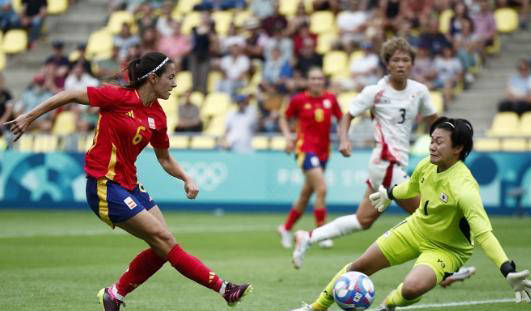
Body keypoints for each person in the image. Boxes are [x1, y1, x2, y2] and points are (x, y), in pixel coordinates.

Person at [3, 52, 252, 311]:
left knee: (162, 248)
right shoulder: (116, 97)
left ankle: (115, 294)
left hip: (130, 185)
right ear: (153, 78)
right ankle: (224, 288)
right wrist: (29, 117)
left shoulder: (159, 117)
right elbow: (69, 95)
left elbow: (164, 159)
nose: (175, 84)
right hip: (104, 184)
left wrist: (186, 177)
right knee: (164, 240)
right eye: (171, 77)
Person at [288, 117, 531, 311]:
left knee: (411, 289)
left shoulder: (465, 188)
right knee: (360, 265)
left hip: (447, 249)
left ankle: (389, 305)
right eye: (432, 140)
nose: (432, 146)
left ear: (458, 148)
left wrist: (506, 269)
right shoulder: (428, 164)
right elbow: (412, 187)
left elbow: (484, 234)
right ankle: (316, 307)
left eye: (439, 142)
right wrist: (390, 193)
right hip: (414, 230)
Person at [290, 38, 473, 287]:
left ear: (412, 63)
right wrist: (344, 140)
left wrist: (443, 145)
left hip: (390, 165)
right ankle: (444, 270)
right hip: (387, 163)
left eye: (406, 60)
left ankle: (308, 237)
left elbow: (434, 120)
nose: (401, 64)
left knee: (363, 220)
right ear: (387, 64)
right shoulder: (375, 91)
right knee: (426, 213)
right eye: (395, 60)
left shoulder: (419, 91)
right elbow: (348, 115)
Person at [276, 67, 342, 249]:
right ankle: (321, 233)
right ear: (308, 81)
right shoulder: (299, 100)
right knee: (321, 188)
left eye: (319, 79)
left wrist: (344, 139)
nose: (316, 82)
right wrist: (288, 138)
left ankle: (285, 227)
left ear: (323, 81)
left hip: (324, 152)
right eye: (313, 78)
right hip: (305, 150)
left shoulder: (331, 99)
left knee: (306, 194)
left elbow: (342, 118)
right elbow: (283, 117)